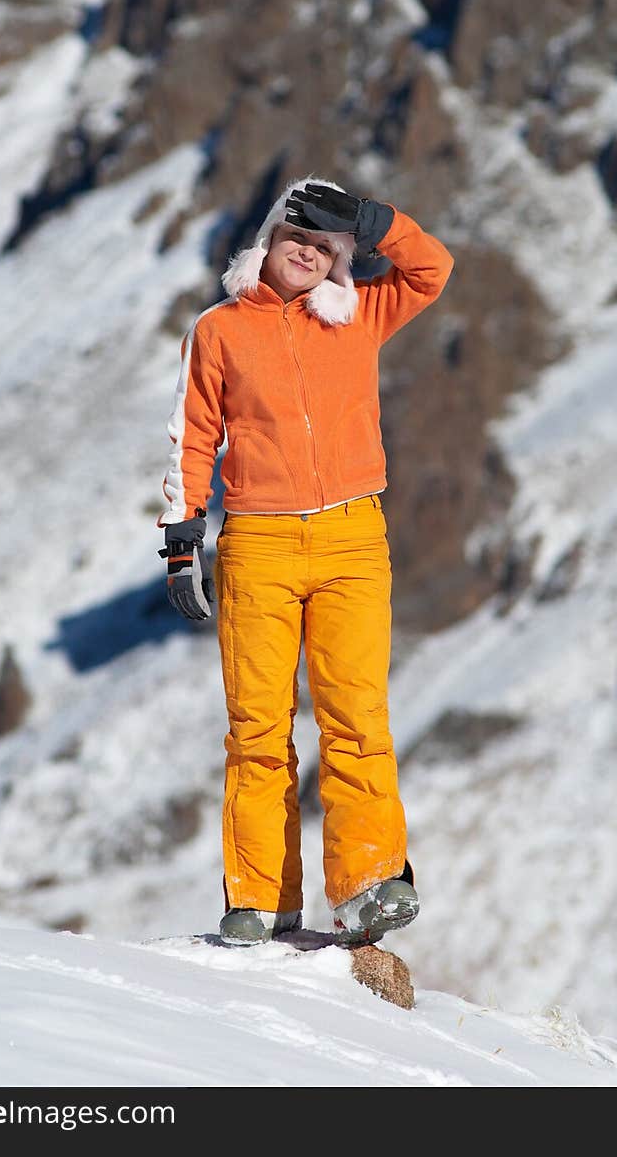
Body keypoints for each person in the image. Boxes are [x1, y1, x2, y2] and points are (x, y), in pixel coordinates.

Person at [157, 177, 455, 946]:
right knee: (257, 729)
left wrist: (373, 221)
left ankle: (367, 887)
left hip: (354, 537)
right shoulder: (218, 331)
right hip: (257, 542)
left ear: (340, 259)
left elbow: (432, 269)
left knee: (356, 717)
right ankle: (261, 899)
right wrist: (182, 538)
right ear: (268, 236)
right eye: (300, 236)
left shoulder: (359, 316)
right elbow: (193, 435)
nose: (310, 253)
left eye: (327, 245)